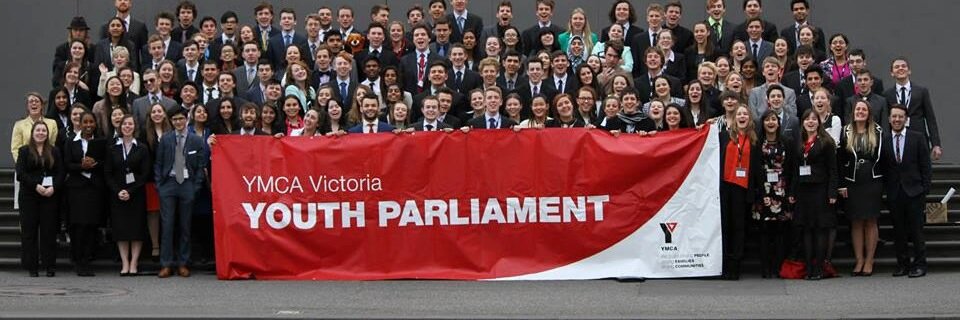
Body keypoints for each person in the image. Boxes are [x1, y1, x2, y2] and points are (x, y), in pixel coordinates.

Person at [155, 108, 209, 278]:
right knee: (167, 225)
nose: (178, 122)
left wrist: (195, 187)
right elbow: (159, 163)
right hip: (169, 183)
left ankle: (183, 263)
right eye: (174, 119)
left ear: (187, 119)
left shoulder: (196, 140)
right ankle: (166, 264)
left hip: (187, 183)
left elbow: (201, 167)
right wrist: (160, 185)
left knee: (185, 226)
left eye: (180, 119)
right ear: (171, 121)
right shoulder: (166, 139)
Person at [789, 108, 838, 281]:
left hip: (820, 190)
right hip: (803, 191)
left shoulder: (826, 142)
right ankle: (809, 267)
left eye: (814, 119)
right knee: (806, 230)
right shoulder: (799, 142)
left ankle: (818, 268)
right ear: (803, 122)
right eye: (807, 119)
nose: (810, 122)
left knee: (820, 230)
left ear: (819, 122)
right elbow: (795, 169)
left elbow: (833, 170)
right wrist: (792, 191)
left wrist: (832, 192)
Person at [837, 100, 885, 277]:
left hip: (872, 181)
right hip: (852, 181)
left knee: (871, 221)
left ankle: (869, 260)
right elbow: (840, 160)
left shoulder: (878, 131)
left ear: (869, 113)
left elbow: (884, 158)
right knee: (856, 221)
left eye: (864, 109)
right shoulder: (845, 131)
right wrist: (841, 184)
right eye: (858, 109)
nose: (860, 112)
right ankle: (859, 260)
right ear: (853, 112)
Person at [884, 104, 932, 278]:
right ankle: (902, 264)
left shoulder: (917, 138)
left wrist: (924, 189)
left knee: (917, 231)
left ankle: (920, 264)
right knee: (899, 231)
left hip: (915, 192)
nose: (897, 120)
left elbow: (926, 166)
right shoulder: (886, 139)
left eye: (900, 117)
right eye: (894, 116)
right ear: (889, 119)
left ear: (906, 119)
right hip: (895, 193)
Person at [15, 121, 63, 277]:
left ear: (47, 134)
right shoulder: (24, 151)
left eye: (44, 130)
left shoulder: (54, 151)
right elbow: (21, 174)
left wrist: (53, 187)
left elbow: (61, 172)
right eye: (38, 130)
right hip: (29, 196)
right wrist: (36, 186)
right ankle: (32, 266)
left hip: (50, 196)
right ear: (32, 133)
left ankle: (50, 266)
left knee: (49, 231)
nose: (41, 133)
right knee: (29, 232)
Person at [718, 104, 760, 280]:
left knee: (739, 227)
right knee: (725, 226)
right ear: (734, 118)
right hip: (725, 186)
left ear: (749, 119)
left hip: (743, 189)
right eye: (739, 114)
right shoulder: (723, 136)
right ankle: (724, 263)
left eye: (745, 114)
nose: (742, 117)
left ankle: (736, 264)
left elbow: (757, 169)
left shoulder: (755, 140)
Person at [103, 115, 149, 276]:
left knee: (136, 229)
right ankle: (125, 263)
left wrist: (130, 191)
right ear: (120, 127)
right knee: (121, 229)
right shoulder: (112, 148)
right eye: (125, 124)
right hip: (117, 194)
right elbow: (107, 173)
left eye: (130, 124)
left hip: (136, 194)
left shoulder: (142, 148)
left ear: (134, 127)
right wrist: (118, 191)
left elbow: (145, 174)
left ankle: (134, 262)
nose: (127, 127)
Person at [754, 109, 797, 278]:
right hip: (763, 191)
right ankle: (765, 268)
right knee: (764, 232)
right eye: (767, 120)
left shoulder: (787, 142)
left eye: (774, 119)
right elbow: (755, 171)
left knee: (781, 232)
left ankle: (778, 267)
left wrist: (791, 192)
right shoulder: (756, 142)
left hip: (782, 190)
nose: (771, 122)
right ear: (762, 123)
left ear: (778, 123)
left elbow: (793, 169)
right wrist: (759, 193)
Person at [63, 111, 106, 277]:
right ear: (79, 124)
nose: (88, 125)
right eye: (85, 122)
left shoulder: (100, 142)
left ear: (95, 124)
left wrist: (94, 164)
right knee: (78, 225)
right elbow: (67, 164)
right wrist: (82, 166)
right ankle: (78, 259)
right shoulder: (70, 142)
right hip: (76, 189)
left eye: (91, 122)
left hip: (94, 188)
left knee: (91, 225)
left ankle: (87, 259)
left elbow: (106, 163)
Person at [883, 57, 942, 161]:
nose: (900, 68)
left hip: (919, 137)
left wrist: (936, 144)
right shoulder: (887, 95)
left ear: (909, 71)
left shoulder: (921, 91)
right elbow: (886, 121)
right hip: (896, 138)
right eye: (896, 67)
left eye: (903, 66)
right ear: (892, 73)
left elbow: (930, 118)